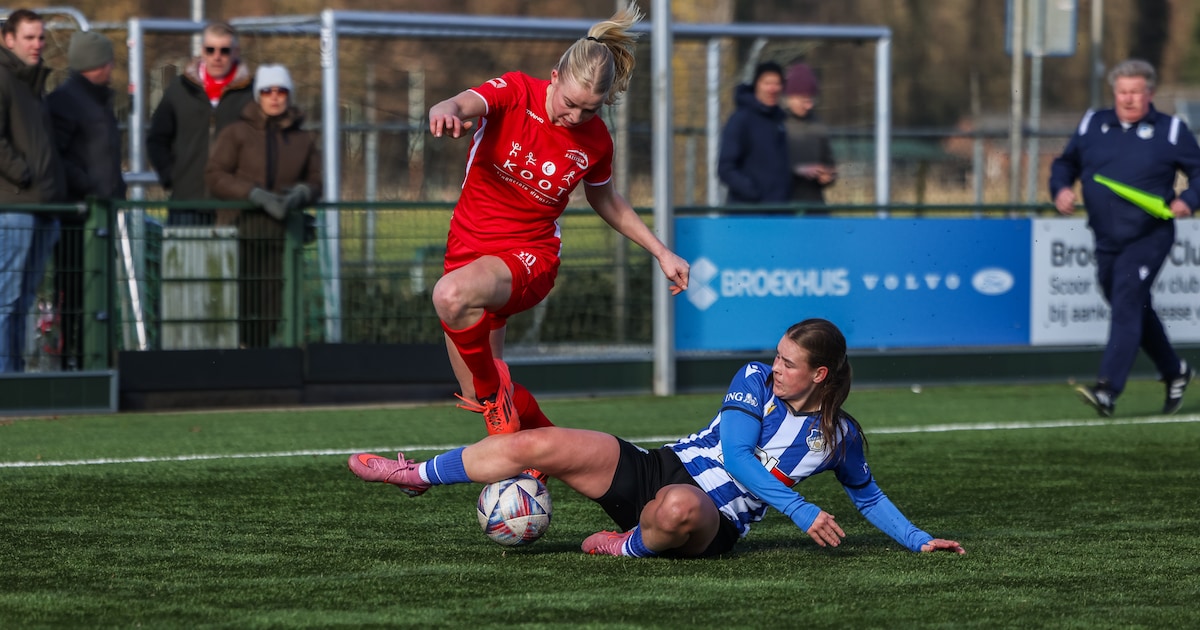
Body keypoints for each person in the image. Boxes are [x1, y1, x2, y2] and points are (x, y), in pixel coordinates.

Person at [348, 318, 966, 559]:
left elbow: (867, 496)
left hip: (708, 520)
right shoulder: (752, 379)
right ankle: (417, 476)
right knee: (540, 443)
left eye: (788, 363)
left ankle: (628, 547)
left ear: (819, 375)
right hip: (658, 466)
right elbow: (738, 455)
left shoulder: (841, 437)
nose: (774, 366)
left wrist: (917, 540)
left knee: (679, 508)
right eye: (776, 356)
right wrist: (802, 511)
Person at [425, 1, 689, 458]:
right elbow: (462, 101)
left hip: (530, 259)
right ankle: (551, 461)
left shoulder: (596, 140)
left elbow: (606, 199)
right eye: (569, 103)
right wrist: (445, 109)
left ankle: (499, 402)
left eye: (588, 111)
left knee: (450, 297)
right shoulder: (514, 91)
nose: (574, 117)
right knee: (492, 411)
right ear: (553, 77)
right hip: (469, 256)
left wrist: (661, 252)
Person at [1050, 58, 1199, 417]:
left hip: (1149, 236)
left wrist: (1188, 200)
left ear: (1150, 93)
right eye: (1122, 92)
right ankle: (1174, 371)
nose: (1128, 99)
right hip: (1105, 238)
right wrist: (1060, 189)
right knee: (1129, 305)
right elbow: (1064, 163)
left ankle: (1108, 389)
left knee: (1128, 299)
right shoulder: (1092, 124)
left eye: (1136, 92)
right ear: (1114, 93)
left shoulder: (1172, 130)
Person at [206, 64, 320, 349]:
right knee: (239, 299)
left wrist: (301, 194)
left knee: (273, 303)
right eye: (267, 91)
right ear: (258, 95)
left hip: (281, 233)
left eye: (281, 91)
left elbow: (316, 179)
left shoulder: (302, 138)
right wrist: (253, 194)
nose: (274, 97)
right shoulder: (236, 133)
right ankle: (238, 358)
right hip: (239, 229)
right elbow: (215, 175)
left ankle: (262, 357)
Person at [46, 30, 127, 370]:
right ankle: (70, 360)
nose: (111, 68)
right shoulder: (66, 102)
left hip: (98, 215)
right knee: (73, 291)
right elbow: (59, 157)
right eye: (107, 61)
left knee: (95, 291)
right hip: (76, 218)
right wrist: (92, 187)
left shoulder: (96, 101)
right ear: (97, 64)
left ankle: (89, 358)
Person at [0, 8, 65, 373]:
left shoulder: (32, 84)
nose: (37, 44)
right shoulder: (4, 79)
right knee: (6, 300)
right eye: (29, 37)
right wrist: (22, 176)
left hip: (40, 205)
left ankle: (14, 376)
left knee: (23, 300)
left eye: (41, 37)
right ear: (8, 39)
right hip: (14, 206)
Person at [147, 20, 254, 226]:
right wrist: (171, 176)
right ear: (202, 51)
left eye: (224, 50)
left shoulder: (251, 93)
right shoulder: (179, 89)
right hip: (187, 202)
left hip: (234, 206)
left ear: (236, 52)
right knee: (185, 259)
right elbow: (157, 138)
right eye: (210, 49)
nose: (217, 56)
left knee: (233, 259)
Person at [717, 61, 790, 209]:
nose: (772, 89)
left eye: (777, 84)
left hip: (780, 212)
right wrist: (754, 193)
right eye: (767, 83)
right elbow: (726, 168)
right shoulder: (740, 119)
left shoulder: (781, 120)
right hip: (748, 213)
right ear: (756, 84)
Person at [783, 61, 836, 211]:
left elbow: (829, 162)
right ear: (790, 97)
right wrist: (798, 170)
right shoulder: (777, 125)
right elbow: (767, 168)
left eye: (811, 100)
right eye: (803, 100)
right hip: (785, 204)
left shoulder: (819, 125)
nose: (809, 105)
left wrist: (827, 176)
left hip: (814, 205)